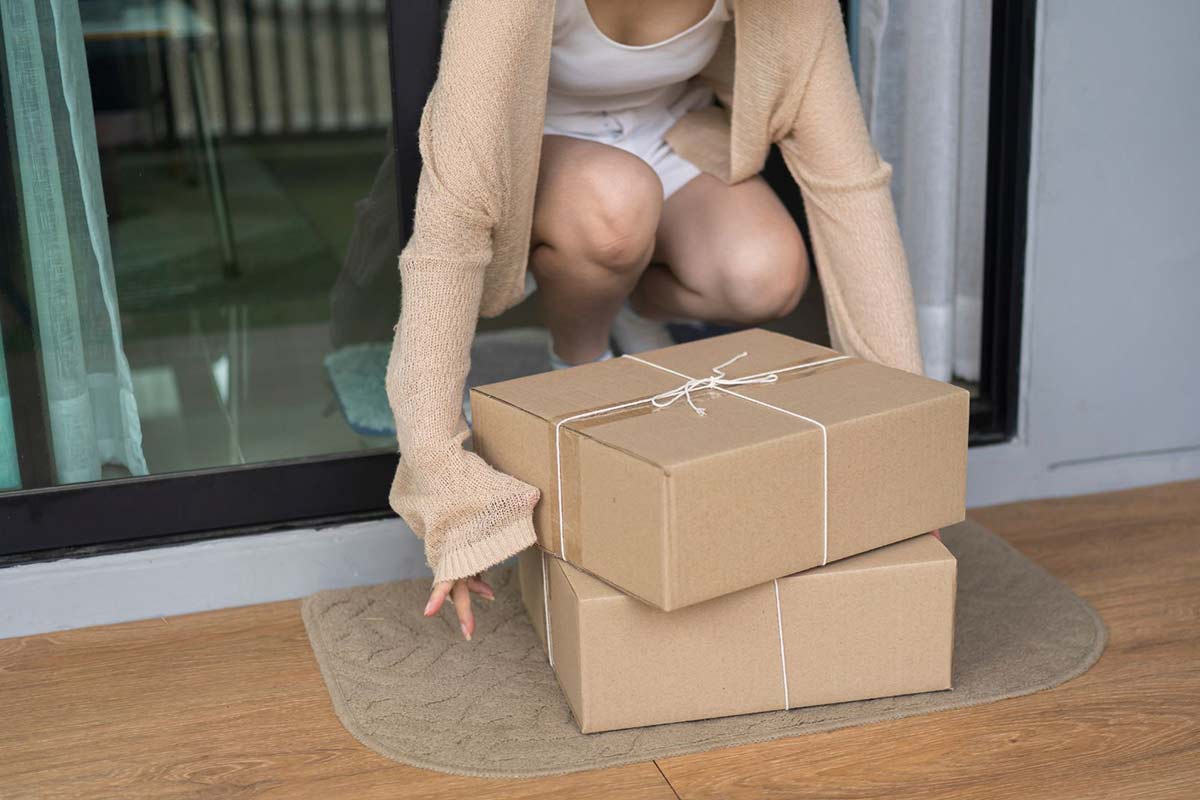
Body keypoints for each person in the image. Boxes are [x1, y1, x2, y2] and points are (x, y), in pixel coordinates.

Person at [388, 0, 930, 641]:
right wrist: (445, 485)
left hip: (664, 133)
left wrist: (911, 443)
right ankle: (581, 357)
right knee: (617, 206)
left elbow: (849, 185)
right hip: (545, 147)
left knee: (768, 275)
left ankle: (629, 299)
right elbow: (449, 229)